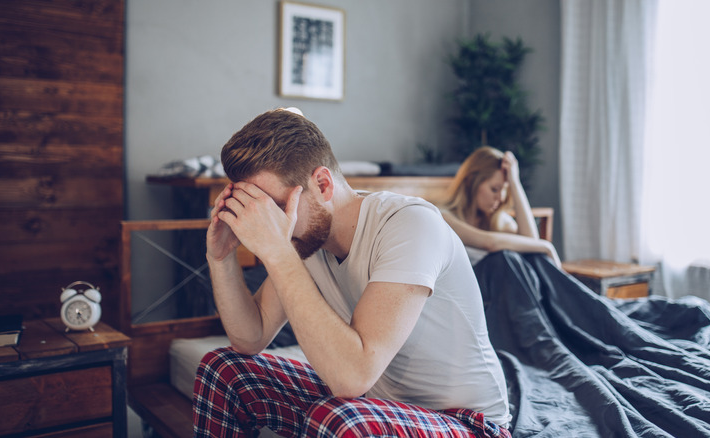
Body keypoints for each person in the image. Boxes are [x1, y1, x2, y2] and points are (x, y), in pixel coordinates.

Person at [193, 108, 511, 437]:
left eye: (275, 208)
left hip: (469, 423)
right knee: (225, 370)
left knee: (340, 419)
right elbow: (250, 338)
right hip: (376, 403)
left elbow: (351, 378)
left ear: (322, 184)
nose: (272, 227)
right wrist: (220, 258)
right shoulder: (304, 239)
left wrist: (278, 251)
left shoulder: (410, 225)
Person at [440, 146, 560, 267]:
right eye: (495, 189)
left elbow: (532, 243)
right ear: (471, 183)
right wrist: (547, 246)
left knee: (536, 258)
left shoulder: (499, 220)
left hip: (505, 284)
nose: (501, 198)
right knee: (503, 258)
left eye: (504, 190)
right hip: (477, 283)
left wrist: (515, 182)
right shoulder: (445, 218)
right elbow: (489, 243)